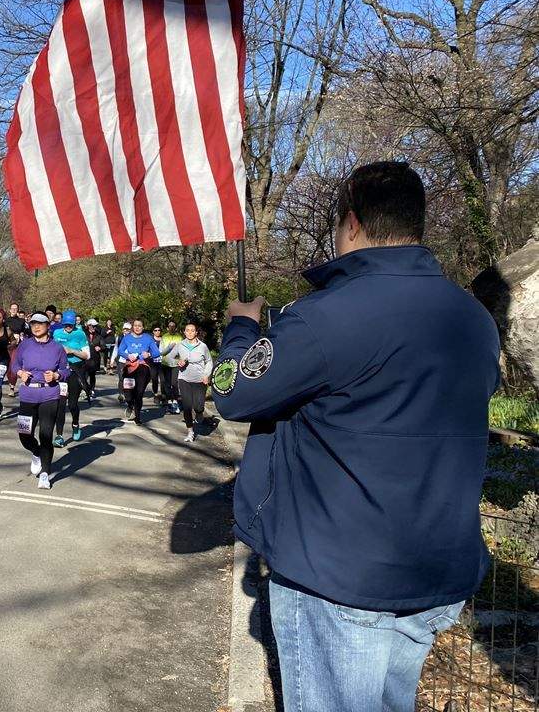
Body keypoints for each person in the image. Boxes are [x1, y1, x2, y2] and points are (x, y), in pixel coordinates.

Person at [212, 162, 500, 712]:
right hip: (433, 566)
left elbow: (231, 392)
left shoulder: (324, 318)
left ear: (350, 223)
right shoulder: (472, 319)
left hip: (340, 574)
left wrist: (243, 327)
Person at [9, 313, 70, 490]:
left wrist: (57, 375)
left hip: (49, 394)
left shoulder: (57, 348)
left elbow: (66, 370)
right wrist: (20, 373)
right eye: (33, 324)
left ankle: (45, 474)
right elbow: (15, 365)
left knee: (46, 435)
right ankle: (35, 452)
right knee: (24, 434)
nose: (36, 327)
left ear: (48, 326)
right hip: (28, 395)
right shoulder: (24, 345)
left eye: (40, 324)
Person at [167, 323, 213, 442]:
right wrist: (178, 361)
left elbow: (209, 362)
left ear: (196, 332)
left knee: (198, 407)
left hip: (200, 380)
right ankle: (190, 432)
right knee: (187, 406)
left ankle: (199, 414)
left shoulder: (203, 346)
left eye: (192, 331)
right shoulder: (180, 345)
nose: (190, 333)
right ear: (184, 332)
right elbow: (169, 357)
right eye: (188, 330)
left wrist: (206, 375)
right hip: (184, 379)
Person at [52, 309, 90, 445]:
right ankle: (59, 436)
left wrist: (72, 351)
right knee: (60, 405)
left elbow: (87, 355)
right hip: (61, 372)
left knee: (72, 404)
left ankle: (75, 424)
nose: (68, 327)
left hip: (76, 371)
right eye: (66, 324)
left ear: (74, 324)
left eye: (70, 324)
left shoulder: (80, 334)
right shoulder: (56, 333)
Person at [115, 319, 160, 424]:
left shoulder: (148, 338)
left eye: (139, 326)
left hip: (142, 367)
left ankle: (138, 416)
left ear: (143, 327)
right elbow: (120, 351)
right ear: (132, 327)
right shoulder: (127, 338)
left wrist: (148, 355)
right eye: (135, 325)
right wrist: (127, 355)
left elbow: (157, 353)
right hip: (130, 367)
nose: (137, 327)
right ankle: (130, 404)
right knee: (128, 394)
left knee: (139, 393)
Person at [160, 320, 183, 414]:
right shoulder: (164, 337)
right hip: (165, 363)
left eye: (173, 326)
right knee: (166, 384)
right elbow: (161, 351)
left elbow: (182, 351)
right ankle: (169, 402)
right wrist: (169, 349)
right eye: (170, 326)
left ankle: (176, 401)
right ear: (167, 327)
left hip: (175, 364)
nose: (171, 327)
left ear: (176, 328)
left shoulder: (179, 337)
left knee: (174, 383)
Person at [84, 318, 106, 401]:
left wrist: (100, 347)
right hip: (85, 358)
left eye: (95, 326)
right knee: (84, 375)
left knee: (92, 375)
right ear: (89, 326)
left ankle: (92, 390)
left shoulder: (99, 335)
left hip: (94, 359)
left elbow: (104, 346)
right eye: (92, 326)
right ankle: (86, 390)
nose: (94, 328)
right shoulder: (83, 334)